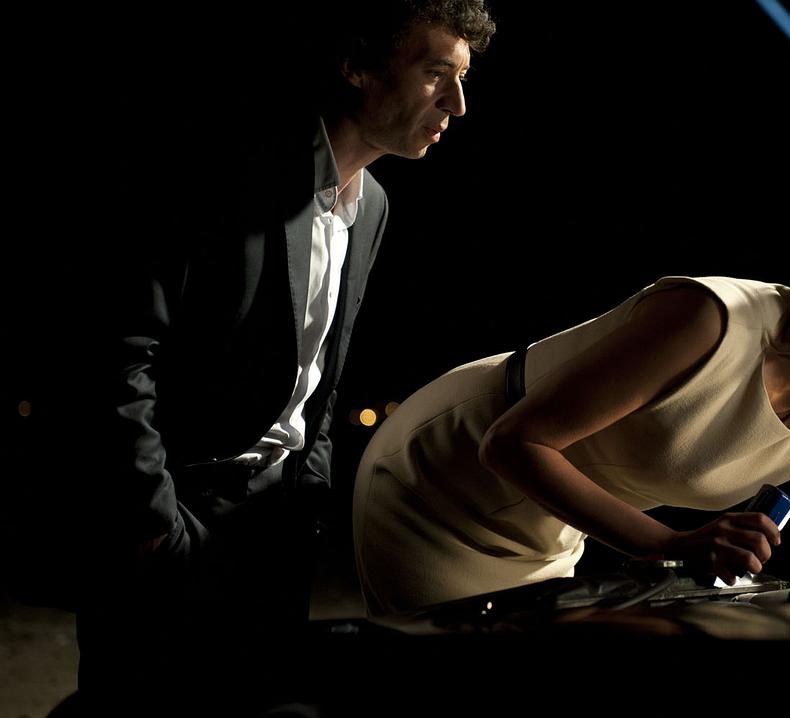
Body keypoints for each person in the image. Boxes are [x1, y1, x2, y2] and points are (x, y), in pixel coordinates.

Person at [51, 2, 497, 714]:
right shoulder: (223, 171)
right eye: (436, 72)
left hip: (279, 526)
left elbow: (322, 381)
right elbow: (116, 354)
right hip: (176, 512)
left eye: (464, 78)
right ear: (356, 66)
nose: (458, 103)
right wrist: (152, 525)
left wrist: (307, 501)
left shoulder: (373, 206)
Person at [353, 187, 790, 616]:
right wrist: (673, 547)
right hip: (440, 484)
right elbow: (511, 442)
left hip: (547, 536)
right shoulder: (712, 320)